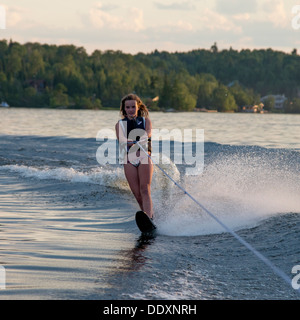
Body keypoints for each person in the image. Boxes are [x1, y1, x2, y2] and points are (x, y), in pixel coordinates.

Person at [115, 93, 154, 219]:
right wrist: (129, 141)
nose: (130, 110)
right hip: (129, 160)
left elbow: (148, 132)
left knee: (144, 190)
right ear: (124, 109)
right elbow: (121, 139)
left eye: (133, 107)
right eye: (128, 107)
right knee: (137, 195)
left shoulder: (145, 121)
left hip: (144, 157)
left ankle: (149, 216)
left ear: (138, 107)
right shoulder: (119, 124)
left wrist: (143, 136)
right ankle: (147, 219)